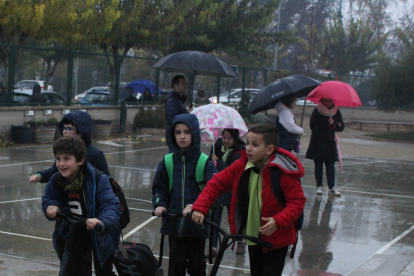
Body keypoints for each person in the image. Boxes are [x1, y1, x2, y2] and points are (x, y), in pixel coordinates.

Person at [186, 123, 306, 276]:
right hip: (253, 237)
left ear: (269, 149)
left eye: (255, 145)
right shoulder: (241, 166)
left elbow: (297, 202)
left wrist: (278, 220)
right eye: (247, 143)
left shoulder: (282, 172)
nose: (248, 148)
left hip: (277, 240)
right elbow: (216, 184)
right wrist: (200, 207)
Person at [42, 136, 121, 275]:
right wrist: (51, 205)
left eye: (67, 158)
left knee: (104, 271)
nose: (61, 164)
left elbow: (111, 205)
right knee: (75, 270)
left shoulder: (97, 179)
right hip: (74, 232)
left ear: (80, 160)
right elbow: (49, 197)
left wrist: (101, 221)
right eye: (58, 159)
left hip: (99, 233)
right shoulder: (56, 180)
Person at [152, 113, 217, 276]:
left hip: (196, 226)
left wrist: (197, 207)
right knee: (175, 267)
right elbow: (159, 188)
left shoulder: (204, 162)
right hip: (174, 226)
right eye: (178, 132)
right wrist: (160, 204)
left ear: (194, 134)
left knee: (197, 267)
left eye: (187, 132)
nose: (182, 136)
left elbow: (216, 191)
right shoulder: (167, 161)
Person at [29, 110, 110, 184]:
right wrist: (40, 176)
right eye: (64, 128)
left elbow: (106, 178)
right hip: (68, 192)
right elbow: (55, 171)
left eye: (68, 129)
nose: (64, 131)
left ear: (80, 132)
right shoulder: (64, 150)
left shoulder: (95, 154)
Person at [207, 128, 246, 257]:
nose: (226, 140)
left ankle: (240, 241)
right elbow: (209, 164)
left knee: (235, 217)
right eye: (224, 137)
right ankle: (213, 246)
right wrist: (212, 162)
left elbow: (233, 171)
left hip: (233, 190)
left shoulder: (240, 152)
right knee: (214, 218)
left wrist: (218, 162)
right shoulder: (216, 146)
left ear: (235, 139)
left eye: (229, 138)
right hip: (219, 189)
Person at [305, 98, 345, 196]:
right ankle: (319, 186)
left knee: (330, 165)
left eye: (329, 101)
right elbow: (312, 126)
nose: (327, 103)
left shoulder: (336, 112)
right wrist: (326, 124)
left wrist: (334, 124)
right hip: (317, 142)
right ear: (322, 101)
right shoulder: (317, 111)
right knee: (318, 165)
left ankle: (332, 187)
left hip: (330, 143)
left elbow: (341, 127)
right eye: (325, 101)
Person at [164, 75, 192, 153]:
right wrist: (187, 115)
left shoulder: (179, 100)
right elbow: (172, 119)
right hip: (175, 139)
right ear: (176, 86)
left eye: (186, 84)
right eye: (183, 84)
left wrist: (187, 113)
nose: (185, 86)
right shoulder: (172, 101)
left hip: (179, 138)